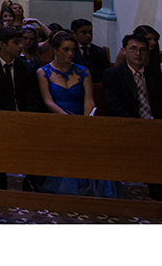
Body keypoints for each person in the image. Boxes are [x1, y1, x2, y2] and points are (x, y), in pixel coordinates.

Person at [36, 31, 115, 197]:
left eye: (73, 50)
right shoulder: (43, 72)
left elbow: (89, 100)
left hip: (82, 118)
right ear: (55, 50)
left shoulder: (83, 72)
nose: (70, 53)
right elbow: (48, 102)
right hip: (58, 119)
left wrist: (84, 121)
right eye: (66, 49)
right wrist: (67, 119)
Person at [103, 33, 162, 200]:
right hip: (126, 124)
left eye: (143, 50)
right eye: (133, 49)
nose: (138, 53)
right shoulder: (113, 74)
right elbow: (114, 107)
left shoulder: (156, 76)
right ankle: (154, 188)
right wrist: (138, 124)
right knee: (147, 141)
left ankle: (156, 188)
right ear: (124, 51)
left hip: (154, 125)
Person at [0, 26, 42, 190]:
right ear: (2, 45)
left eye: (21, 42)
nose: (21, 46)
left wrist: (24, 118)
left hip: (23, 117)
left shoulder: (27, 68)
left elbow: (32, 99)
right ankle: (0, 181)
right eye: (16, 42)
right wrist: (6, 119)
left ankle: (30, 181)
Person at [70, 18, 111, 84]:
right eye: (84, 32)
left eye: (90, 32)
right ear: (74, 33)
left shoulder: (101, 52)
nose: (88, 35)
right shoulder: (69, 52)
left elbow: (107, 74)